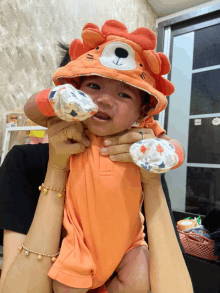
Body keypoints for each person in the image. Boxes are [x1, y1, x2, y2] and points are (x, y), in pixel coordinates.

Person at [0, 20, 193, 293]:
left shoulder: (141, 148)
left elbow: (172, 146)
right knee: (66, 285)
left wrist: (157, 165)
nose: (104, 100)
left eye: (124, 93)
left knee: (138, 279)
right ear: (72, 88)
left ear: (141, 112)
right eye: (93, 86)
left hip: (130, 245)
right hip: (78, 243)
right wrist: (57, 103)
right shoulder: (24, 161)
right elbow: (34, 107)